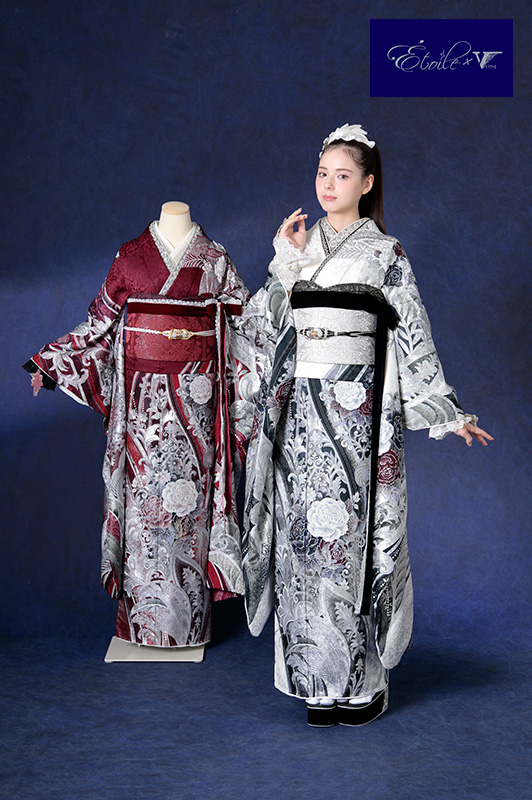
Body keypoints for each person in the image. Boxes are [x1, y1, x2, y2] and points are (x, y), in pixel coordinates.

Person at [238, 124, 492, 727]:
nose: (329, 185)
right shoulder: (298, 248)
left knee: (352, 540)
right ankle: (314, 681)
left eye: (343, 175)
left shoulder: (385, 253)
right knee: (303, 543)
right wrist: (285, 264)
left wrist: (446, 412)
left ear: (368, 183)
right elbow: (261, 325)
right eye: (322, 174)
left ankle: (362, 684)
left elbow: (412, 333)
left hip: (356, 418)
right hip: (300, 418)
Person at [25, 202, 250, 652]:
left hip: (198, 399)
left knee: (190, 508)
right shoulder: (130, 256)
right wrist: (53, 363)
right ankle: (142, 624)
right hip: (142, 403)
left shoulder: (214, 257)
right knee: (145, 506)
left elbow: (246, 324)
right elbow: (100, 324)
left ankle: (190, 626)